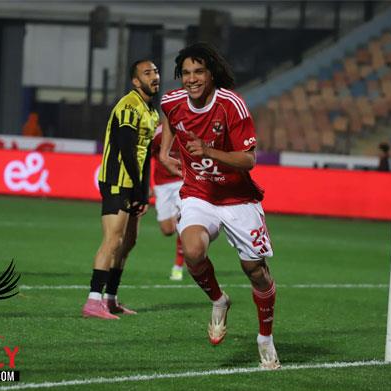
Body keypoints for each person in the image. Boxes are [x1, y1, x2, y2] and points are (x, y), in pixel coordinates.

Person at [159, 43, 280, 369]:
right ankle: (219, 299)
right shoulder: (172, 101)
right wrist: (165, 152)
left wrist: (209, 151)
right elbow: (169, 116)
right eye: (186, 73)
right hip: (198, 193)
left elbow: (249, 159)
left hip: (238, 199)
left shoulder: (231, 105)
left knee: (255, 271)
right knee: (192, 250)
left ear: (211, 74)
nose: (192, 79)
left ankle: (265, 337)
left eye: (199, 72)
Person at [82, 60, 160, 320]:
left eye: (156, 72)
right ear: (136, 82)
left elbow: (145, 155)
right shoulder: (129, 106)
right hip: (117, 180)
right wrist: (138, 189)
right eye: (147, 73)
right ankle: (93, 301)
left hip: (134, 184)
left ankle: (111, 299)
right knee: (113, 240)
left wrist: (144, 191)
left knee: (128, 242)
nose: (154, 76)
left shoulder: (152, 112)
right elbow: (126, 149)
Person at [151, 124, 185, 281]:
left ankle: (178, 266)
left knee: (183, 223)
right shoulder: (158, 133)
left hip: (182, 181)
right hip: (162, 185)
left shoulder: (190, 131)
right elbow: (147, 157)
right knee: (167, 230)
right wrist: (147, 186)